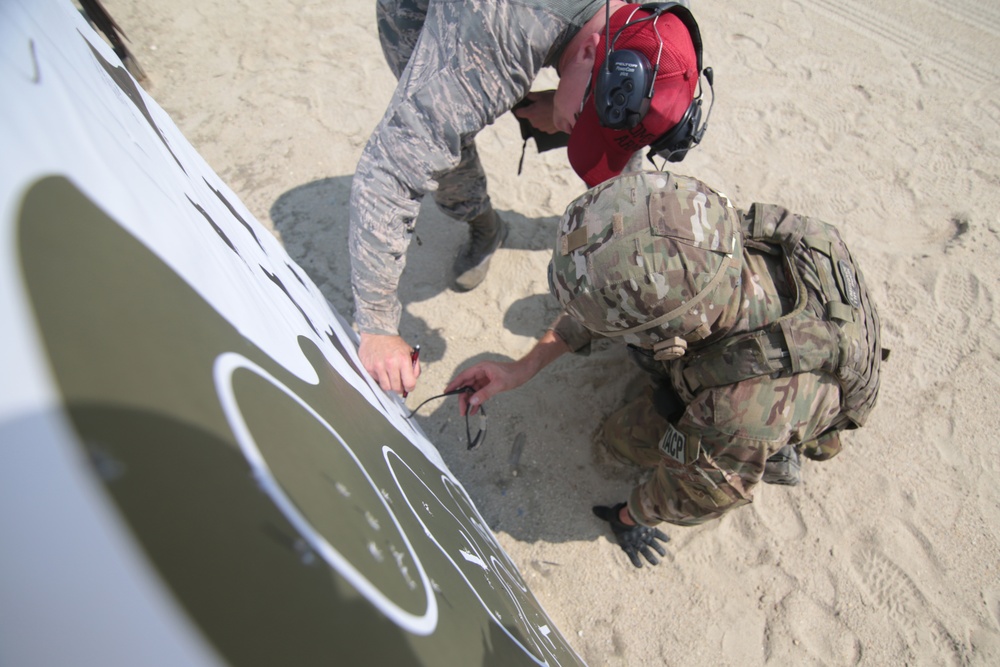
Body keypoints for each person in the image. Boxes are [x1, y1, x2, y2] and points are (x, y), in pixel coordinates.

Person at [445, 170, 884, 567]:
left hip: (774, 401)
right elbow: (620, 297)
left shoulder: (734, 413)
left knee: (621, 440)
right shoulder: (707, 234)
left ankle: (782, 449)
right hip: (811, 343)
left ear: (673, 334)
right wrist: (522, 369)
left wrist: (630, 516)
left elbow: (694, 498)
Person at [352, 0, 709, 395]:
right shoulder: (499, 33)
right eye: (586, 120)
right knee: (443, 143)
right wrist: (377, 324)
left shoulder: (656, 28)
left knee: (592, 107)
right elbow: (388, 169)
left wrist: (566, 99)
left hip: (561, 41)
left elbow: (630, 90)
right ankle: (483, 226)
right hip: (438, 15)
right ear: (589, 51)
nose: (578, 128)